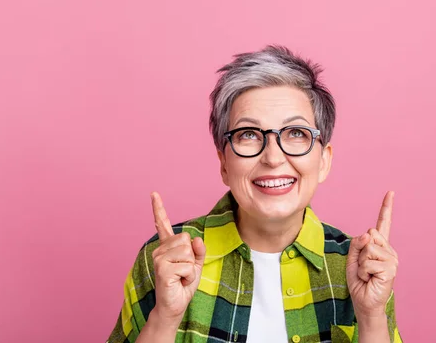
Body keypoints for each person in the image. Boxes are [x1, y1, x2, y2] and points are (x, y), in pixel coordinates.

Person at [107, 45, 403, 343]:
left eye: (296, 133)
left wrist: (371, 317)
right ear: (224, 162)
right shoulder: (166, 259)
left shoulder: (361, 267)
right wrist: (165, 317)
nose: (273, 158)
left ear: (324, 160)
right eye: (248, 134)